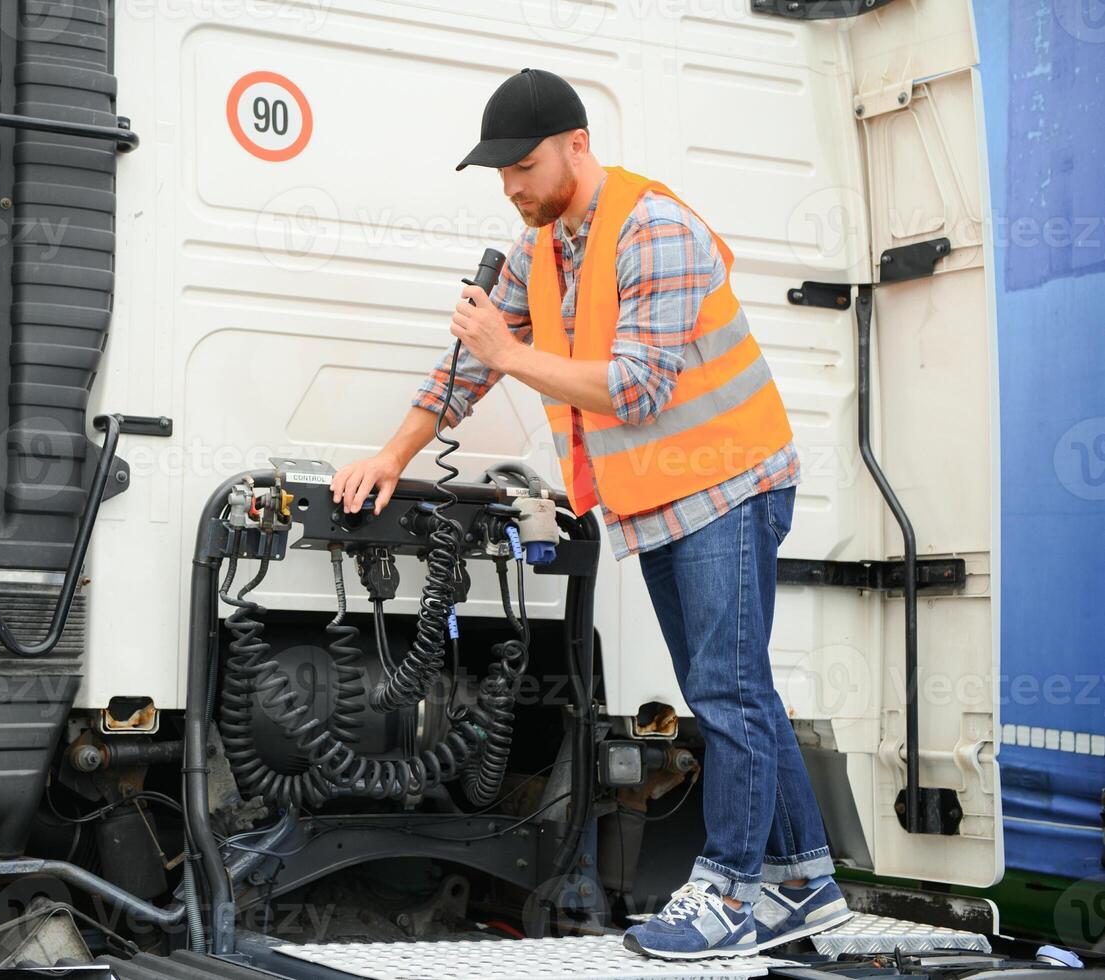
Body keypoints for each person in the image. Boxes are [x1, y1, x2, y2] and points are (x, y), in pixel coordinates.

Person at [329, 68, 852, 960]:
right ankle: (806, 884)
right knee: (732, 690)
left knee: (725, 690)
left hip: (728, 483)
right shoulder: (541, 247)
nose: (512, 187)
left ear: (577, 144)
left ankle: (728, 891)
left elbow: (636, 389)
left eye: (523, 166)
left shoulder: (655, 230)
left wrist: (506, 347)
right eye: (500, 173)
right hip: (658, 500)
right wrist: (392, 454)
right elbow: (469, 367)